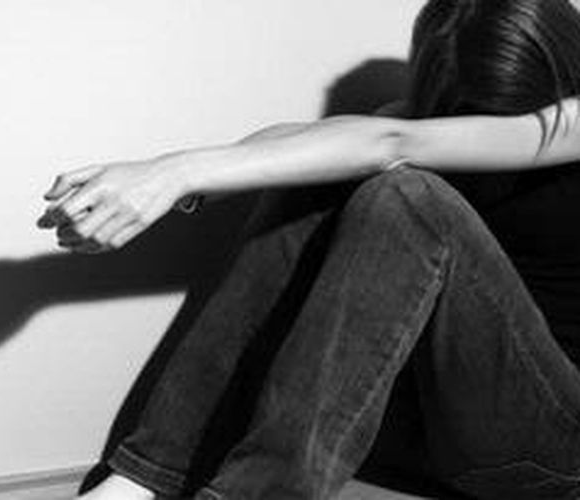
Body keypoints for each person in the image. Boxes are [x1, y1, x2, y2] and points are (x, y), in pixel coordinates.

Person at [38, 0, 580, 498]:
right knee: (317, 169)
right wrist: (167, 179)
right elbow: (300, 139)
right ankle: (140, 482)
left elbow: (389, 143)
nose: (490, 124)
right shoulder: (423, 123)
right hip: (423, 436)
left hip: (553, 447)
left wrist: (175, 176)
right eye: (472, 110)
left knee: (404, 193)